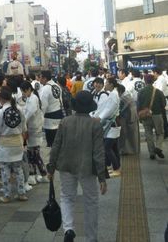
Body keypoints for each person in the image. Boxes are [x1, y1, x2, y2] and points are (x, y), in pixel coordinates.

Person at [47, 91, 107, 242]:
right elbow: (98, 152)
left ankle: (68, 230)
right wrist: (102, 177)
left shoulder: (65, 121)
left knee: (67, 197)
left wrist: (51, 167)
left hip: (66, 166)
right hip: (87, 169)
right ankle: (91, 238)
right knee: (91, 202)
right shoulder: (95, 124)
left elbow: (56, 145)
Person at [0, 87, 28, 203]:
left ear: (1, 99)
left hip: (4, 144)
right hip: (17, 142)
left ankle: (7, 194)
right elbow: (24, 128)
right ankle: (21, 193)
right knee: (18, 169)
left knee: (5, 170)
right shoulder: (19, 110)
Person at [20, 81, 48, 185]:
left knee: (35, 154)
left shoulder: (33, 99)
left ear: (28, 90)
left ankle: (43, 174)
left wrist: (23, 122)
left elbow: (29, 113)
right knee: (31, 154)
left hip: (34, 129)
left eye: (23, 92)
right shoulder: (30, 98)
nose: (22, 94)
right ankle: (33, 174)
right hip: (32, 128)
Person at [91, 77, 121, 177]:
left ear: (111, 84)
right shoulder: (113, 94)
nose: (105, 85)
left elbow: (109, 109)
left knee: (106, 148)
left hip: (112, 124)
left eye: (106, 83)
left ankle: (116, 168)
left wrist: (100, 117)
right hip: (112, 123)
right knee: (113, 147)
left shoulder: (113, 95)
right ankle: (116, 166)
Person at [137, 74, 165, 160]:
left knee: (148, 134)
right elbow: (163, 104)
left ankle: (152, 153)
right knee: (160, 133)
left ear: (144, 81)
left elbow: (138, 106)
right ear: (153, 81)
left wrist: (140, 117)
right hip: (157, 115)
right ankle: (158, 147)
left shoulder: (141, 92)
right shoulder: (159, 92)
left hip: (145, 115)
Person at [39, 70, 64, 147]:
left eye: (40, 77)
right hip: (59, 114)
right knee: (58, 140)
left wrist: (40, 118)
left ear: (45, 78)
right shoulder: (57, 86)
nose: (39, 79)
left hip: (50, 118)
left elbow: (43, 106)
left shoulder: (45, 89)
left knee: (51, 142)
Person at [117, 84, 140, 155]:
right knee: (132, 134)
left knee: (125, 134)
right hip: (133, 116)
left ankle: (126, 150)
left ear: (119, 91)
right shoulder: (127, 95)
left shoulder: (123, 98)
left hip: (128, 118)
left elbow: (120, 110)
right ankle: (134, 150)